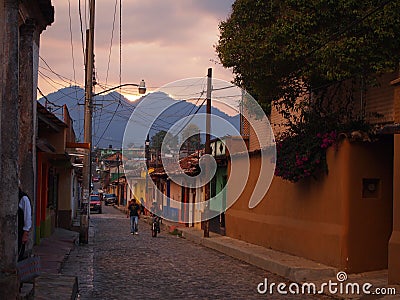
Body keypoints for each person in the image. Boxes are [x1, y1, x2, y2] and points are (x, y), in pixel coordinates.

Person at [18, 188, 32, 261]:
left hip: (20, 231)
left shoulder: (23, 198)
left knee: (19, 254)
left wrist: (25, 233)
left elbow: (27, 216)